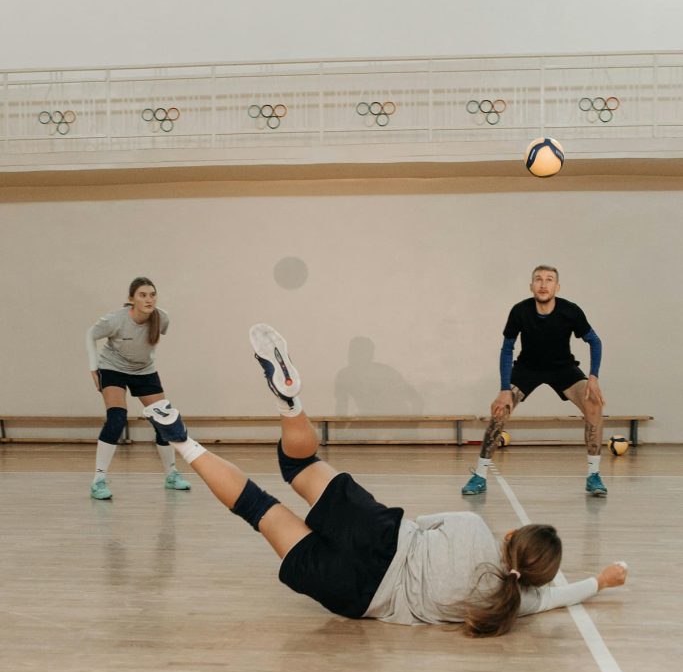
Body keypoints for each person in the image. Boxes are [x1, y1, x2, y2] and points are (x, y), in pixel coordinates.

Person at [141, 323, 627, 636]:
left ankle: (290, 404)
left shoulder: (474, 531)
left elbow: (423, 522)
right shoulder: (506, 605)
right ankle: (184, 443)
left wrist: (598, 579)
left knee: (297, 466)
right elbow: (557, 597)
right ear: (533, 581)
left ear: (511, 535)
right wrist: (600, 582)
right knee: (259, 509)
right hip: (360, 593)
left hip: (379, 532)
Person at [462, 266, 608, 498]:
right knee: (500, 411)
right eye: (538, 279)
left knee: (595, 404)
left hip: (563, 368)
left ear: (556, 287)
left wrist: (593, 377)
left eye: (549, 280)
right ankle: (479, 476)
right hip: (527, 368)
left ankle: (594, 476)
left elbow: (595, 341)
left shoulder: (570, 311)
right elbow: (507, 349)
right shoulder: (520, 311)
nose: (543, 284)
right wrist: (504, 389)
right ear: (531, 286)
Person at [86, 277, 191, 500]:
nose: (149, 299)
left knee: (165, 419)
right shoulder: (115, 320)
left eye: (152, 294)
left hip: (144, 371)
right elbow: (90, 334)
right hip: (112, 367)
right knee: (117, 417)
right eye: (143, 295)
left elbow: (146, 345)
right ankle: (98, 480)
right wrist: (94, 368)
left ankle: (171, 475)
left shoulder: (161, 318)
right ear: (131, 299)